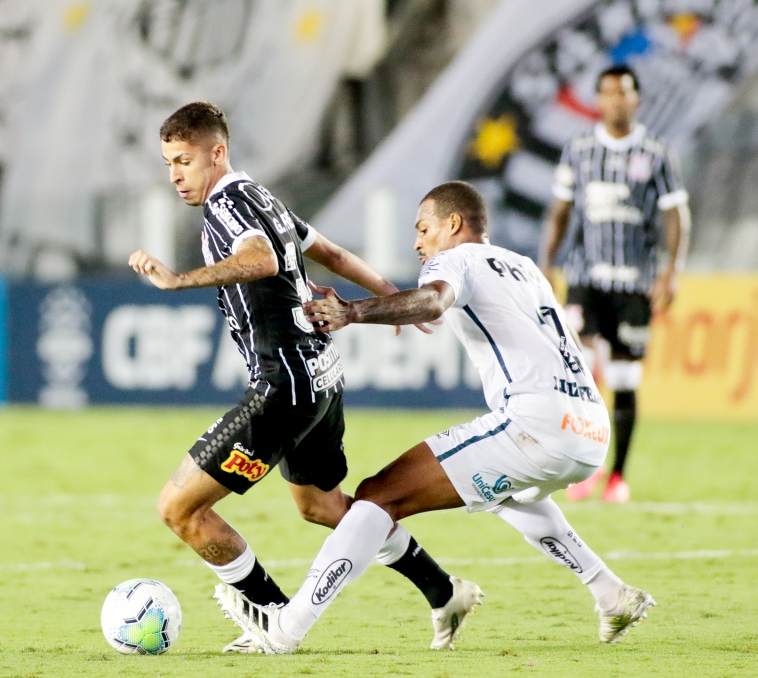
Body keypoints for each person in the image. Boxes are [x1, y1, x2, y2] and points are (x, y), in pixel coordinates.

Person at [215, 180, 656, 653]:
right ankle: (610, 593)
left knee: (376, 497)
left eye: (423, 228)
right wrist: (382, 301)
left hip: (536, 425)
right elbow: (442, 305)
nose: (417, 242)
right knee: (507, 493)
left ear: (454, 224)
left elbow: (435, 299)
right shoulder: (523, 267)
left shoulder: (455, 259)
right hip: (588, 428)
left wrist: (352, 311)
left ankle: (286, 628)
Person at [128, 101, 461, 654]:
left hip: (282, 388)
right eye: (168, 164)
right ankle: (443, 590)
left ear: (217, 152)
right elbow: (326, 251)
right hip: (319, 377)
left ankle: (274, 617)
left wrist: (177, 280)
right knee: (321, 507)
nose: (175, 176)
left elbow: (260, 261)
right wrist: (392, 297)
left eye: (183, 160)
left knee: (179, 508)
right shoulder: (261, 195)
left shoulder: (227, 206)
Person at [540, 65, 691, 503]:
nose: (615, 101)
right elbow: (560, 211)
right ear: (598, 100)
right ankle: (584, 469)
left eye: (623, 93)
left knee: (624, 376)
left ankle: (617, 476)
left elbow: (676, 213)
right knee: (582, 374)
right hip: (587, 279)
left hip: (634, 282)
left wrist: (671, 270)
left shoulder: (656, 152)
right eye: (607, 93)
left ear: (636, 99)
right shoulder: (580, 149)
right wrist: (546, 265)